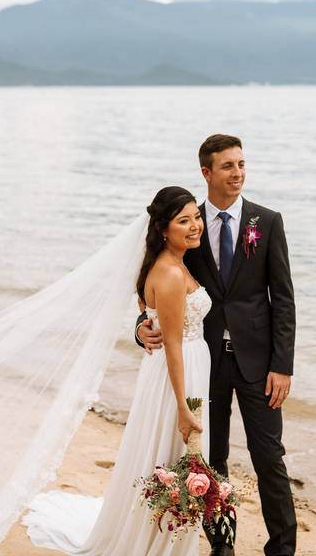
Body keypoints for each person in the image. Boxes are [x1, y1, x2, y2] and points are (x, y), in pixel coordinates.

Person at [22, 186, 212, 554]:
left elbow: (149, 310)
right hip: (178, 374)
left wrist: (145, 324)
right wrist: (184, 407)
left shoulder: (167, 265)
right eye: (184, 220)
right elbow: (172, 343)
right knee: (174, 456)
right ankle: (157, 544)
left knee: (169, 457)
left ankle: (157, 537)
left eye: (196, 217)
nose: (195, 226)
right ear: (163, 229)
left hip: (177, 369)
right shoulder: (171, 274)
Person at [136, 134, 297, 556]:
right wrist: (142, 325)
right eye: (228, 166)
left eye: (242, 164)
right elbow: (153, 281)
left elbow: (283, 300)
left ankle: (282, 549)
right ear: (206, 172)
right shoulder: (186, 226)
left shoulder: (268, 222)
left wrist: (283, 365)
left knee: (270, 460)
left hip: (260, 365)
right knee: (211, 458)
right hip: (204, 363)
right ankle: (222, 547)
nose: (238, 173)